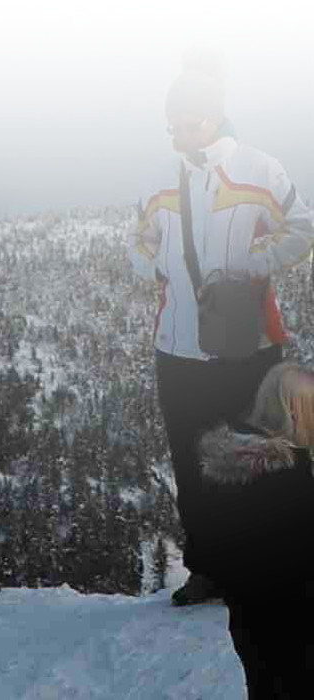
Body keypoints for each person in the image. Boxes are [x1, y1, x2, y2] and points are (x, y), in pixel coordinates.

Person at [125, 52, 314, 607]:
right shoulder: (157, 180)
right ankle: (210, 567)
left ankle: (275, 565)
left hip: (249, 344)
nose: (183, 134)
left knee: (258, 455)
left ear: (215, 115)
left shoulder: (260, 169)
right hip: (178, 347)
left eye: (193, 122)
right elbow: (138, 243)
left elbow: (301, 229)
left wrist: (252, 266)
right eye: (174, 125)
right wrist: (155, 266)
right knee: (191, 459)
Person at [190, 363, 314, 697]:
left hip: (252, 626)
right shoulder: (287, 481)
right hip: (295, 631)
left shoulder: (228, 472)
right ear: (292, 412)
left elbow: (220, 558)